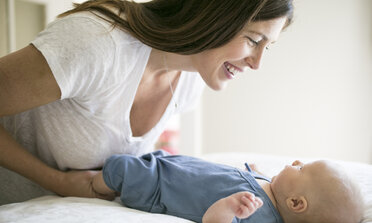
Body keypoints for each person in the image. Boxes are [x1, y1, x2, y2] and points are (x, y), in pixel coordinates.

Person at [0, 0, 294, 205]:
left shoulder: (192, 77)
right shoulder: (99, 44)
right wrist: (56, 182)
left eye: (269, 46)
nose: (257, 63)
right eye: (254, 40)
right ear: (215, 18)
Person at [92, 150, 364, 223]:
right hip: (174, 167)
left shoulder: (256, 214)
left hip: (157, 189)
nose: (296, 162)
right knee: (142, 157)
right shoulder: (273, 188)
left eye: (302, 169)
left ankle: (90, 186)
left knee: (118, 167)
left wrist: (229, 208)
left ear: (295, 204)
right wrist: (256, 172)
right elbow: (256, 179)